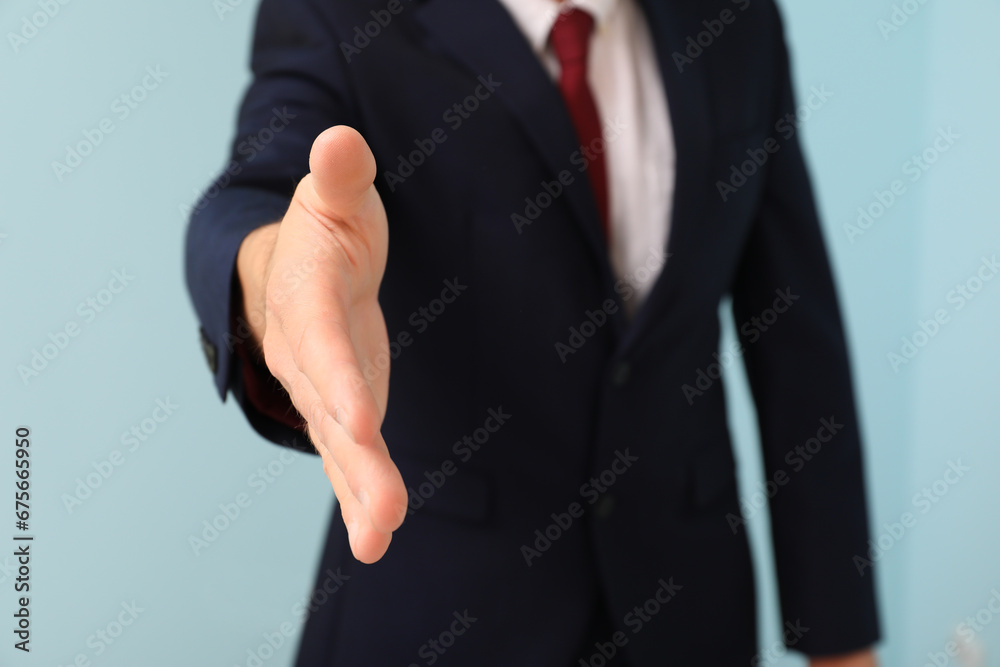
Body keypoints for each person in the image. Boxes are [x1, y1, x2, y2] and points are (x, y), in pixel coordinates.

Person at [184, 0, 881, 664]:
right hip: (440, 611)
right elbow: (254, 193)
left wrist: (840, 639)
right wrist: (275, 268)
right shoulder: (341, 14)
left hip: (689, 610)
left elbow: (796, 338)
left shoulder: (738, 22)